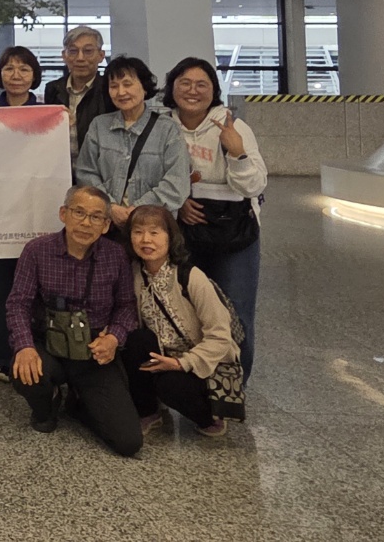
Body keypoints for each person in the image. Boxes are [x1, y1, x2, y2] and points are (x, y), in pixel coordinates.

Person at [6, 185, 142, 456]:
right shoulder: (36, 251)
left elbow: (127, 306)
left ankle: (79, 403)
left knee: (128, 442)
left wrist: (114, 337)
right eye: (79, 212)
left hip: (94, 348)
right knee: (26, 372)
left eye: (95, 217)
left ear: (106, 225)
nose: (86, 223)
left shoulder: (116, 256)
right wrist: (24, 346)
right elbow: (18, 303)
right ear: (63, 214)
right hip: (48, 341)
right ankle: (48, 406)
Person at [163, 57, 267, 379]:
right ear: (172, 87)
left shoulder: (233, 127)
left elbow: (255, 185)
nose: (192, 91)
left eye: (201, 84)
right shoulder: (163, 126)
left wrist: (237, 152)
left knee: (235, 313)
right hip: (182, 233)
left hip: (234, 235)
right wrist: (179, 200)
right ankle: (192, 388)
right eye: (184, 83)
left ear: (214, 90)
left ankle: (233, 389)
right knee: (185, 310)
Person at [122, 205, 240, 437]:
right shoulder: (134, 273)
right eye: (138, 232)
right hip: (163, 354)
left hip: (201, 361)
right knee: (136, 340)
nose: (146, 240)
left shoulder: (191, 277)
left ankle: (208, 416)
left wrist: (181, 363)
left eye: (154, 232)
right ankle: (148, 412)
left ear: (170, 236)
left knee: (171, 385)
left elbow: (220, 337)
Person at [0, 46, 46, 382]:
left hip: (38, 210)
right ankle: (4, 355)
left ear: (35, 75)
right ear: (0, 74)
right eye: (9, 68)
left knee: (41, 285)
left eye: (24, 69)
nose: (16, 75)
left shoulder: (47, 113)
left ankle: (38, 350)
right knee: (3, 287)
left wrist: (64, 123)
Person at [75, 56, 190, 229]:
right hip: (107, 224)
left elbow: (177, 183)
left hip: (152, 226)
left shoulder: (168, 129)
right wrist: (111, 207)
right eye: (114, 86)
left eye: (127, 84)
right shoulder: (99, 125)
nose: (121, 92)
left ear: (144, 87)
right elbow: (86, 172)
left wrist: (137, 210)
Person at [43, 25, 115, 170]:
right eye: (73, 51)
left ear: (101, 55)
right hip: (61, 170)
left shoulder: (109, 90)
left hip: (99, 170)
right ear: (64, 56)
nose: (80, 58)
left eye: (88, 51)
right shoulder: (53, 89)